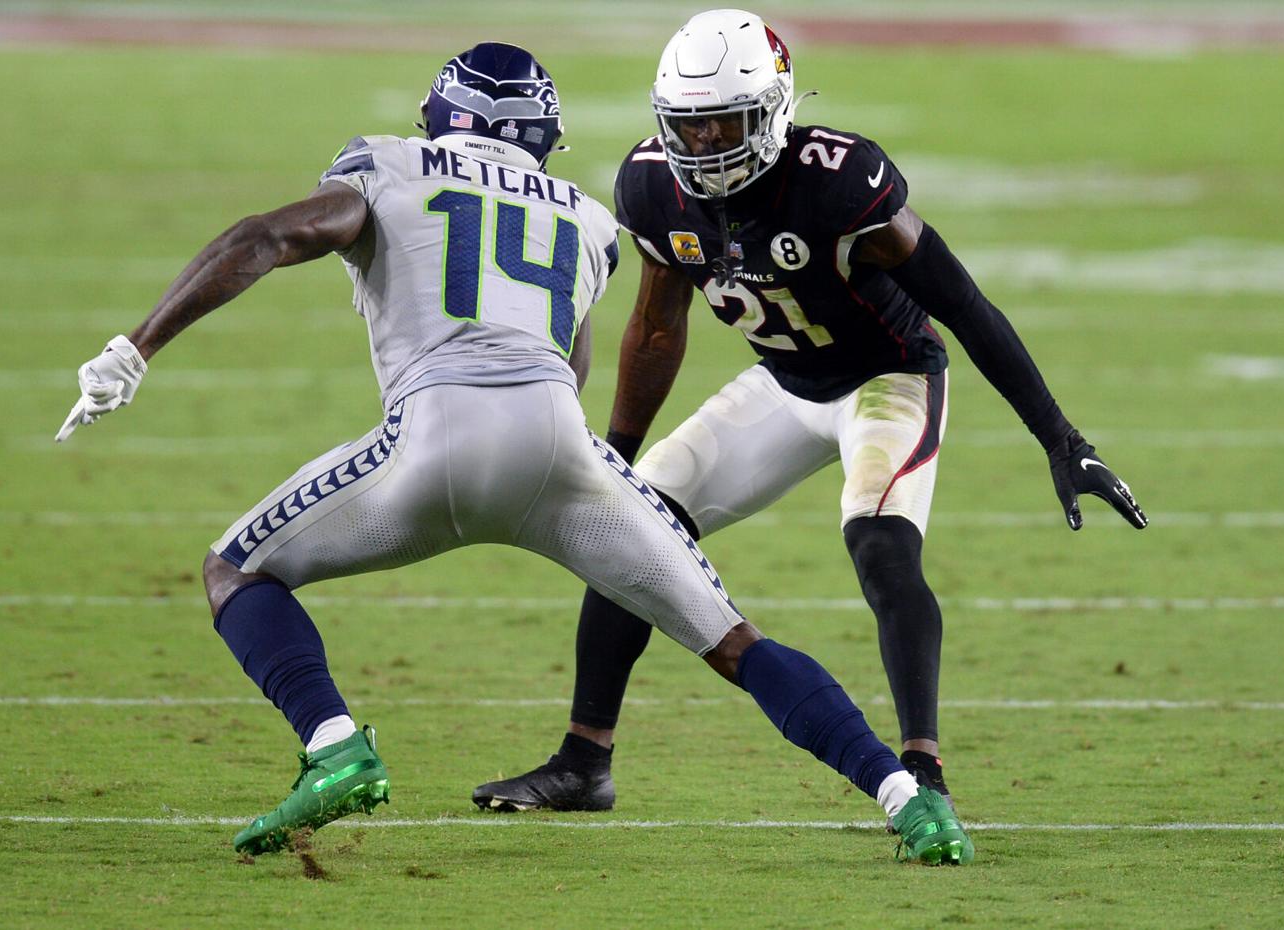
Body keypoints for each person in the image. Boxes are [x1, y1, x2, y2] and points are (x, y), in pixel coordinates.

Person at [53, 41, 973, 865]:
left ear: (439, 119)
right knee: (735, 643)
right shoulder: (582, 216)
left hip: (433, 439)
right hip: (559, 451)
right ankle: (908, 802)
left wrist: (137, 346)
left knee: (234, 572)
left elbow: (270, 236)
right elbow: (568, 358)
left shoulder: (386, 163)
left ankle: (335, 745)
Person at [472, 10, 1147, 817]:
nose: (706, 145)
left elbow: (961, 303)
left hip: (888, 377)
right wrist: (614, 454)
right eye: (688, 126)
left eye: (726, 121)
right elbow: (656, 326)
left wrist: (1061, 438)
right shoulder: (653, 185)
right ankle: (585, 762)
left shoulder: (836, 178)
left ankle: (923, 772)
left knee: (881, 546)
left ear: (774, 108)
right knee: (631, 522)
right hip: (786, 383)